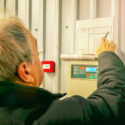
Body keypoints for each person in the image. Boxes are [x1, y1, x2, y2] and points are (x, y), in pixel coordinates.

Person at [0, 16, 125, 125]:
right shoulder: (51, 117)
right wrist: (106, 54)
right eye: (37, 54)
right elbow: (111, 103)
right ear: (26, 72)